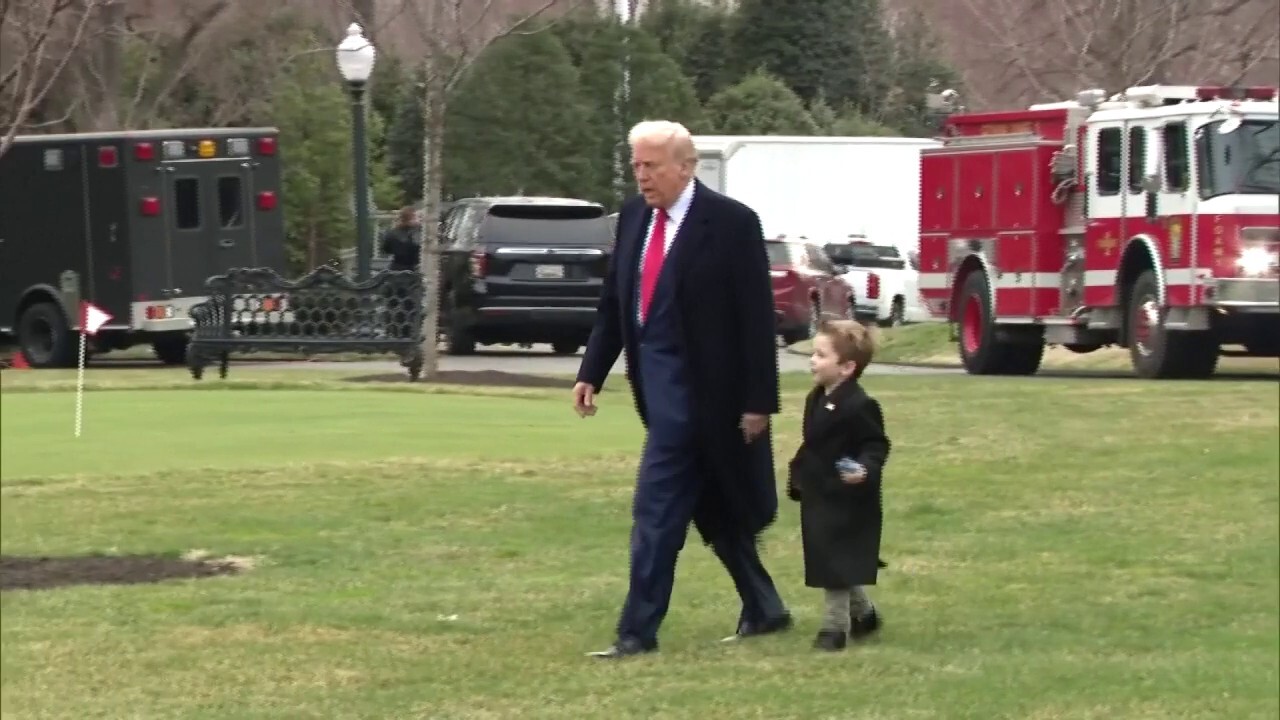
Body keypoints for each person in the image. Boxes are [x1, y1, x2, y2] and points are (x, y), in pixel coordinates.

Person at [572, 120, 791, 659]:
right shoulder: (631, 218)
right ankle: (765, 607)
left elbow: (755, 320)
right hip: (659, 393)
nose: (642, 177)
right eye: (636, 166)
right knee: (713, 508)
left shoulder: (732, 224)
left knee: (656, 512)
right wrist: (591, 372)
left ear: (686, 167)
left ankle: (636, 634)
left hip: (710, 400)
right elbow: (615, 307)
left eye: (652, 166)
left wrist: (759, 401)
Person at [786, 319, 890, 651]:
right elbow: (813, 444)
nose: (812, 361)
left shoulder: (860, 405)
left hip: (848, 497)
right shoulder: (815, 398)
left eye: (820, 355)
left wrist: (864, 469)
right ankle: (866, 614)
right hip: (820, 494)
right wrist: (798, 473)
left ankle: (834, 629)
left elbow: (876, 445)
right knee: (830, 558)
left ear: (846, 368)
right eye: (813, 354)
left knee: (836, 559)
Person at [380, 206, 422, 272]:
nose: (419, 220)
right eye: (417, 217)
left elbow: (386, 249)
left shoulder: (393, 232)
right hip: (413, 269)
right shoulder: (416, 232)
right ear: (411, 218)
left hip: (396, 267)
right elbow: (415, 248)